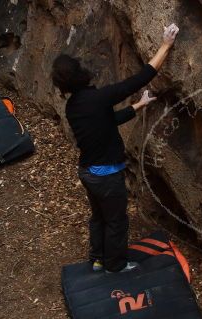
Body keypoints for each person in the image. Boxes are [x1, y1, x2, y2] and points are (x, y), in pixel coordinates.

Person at [51, 23, 179, 273]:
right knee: (116, 220)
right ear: (80, 74)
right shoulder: (98, 98)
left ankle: (98, 259)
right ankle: (115, 265)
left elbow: (108, 122)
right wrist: (165, 45)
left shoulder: (74, 106)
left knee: (99, 217)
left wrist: (139, 105)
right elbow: (140, 78)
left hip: (88, 172)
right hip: (105, 175)